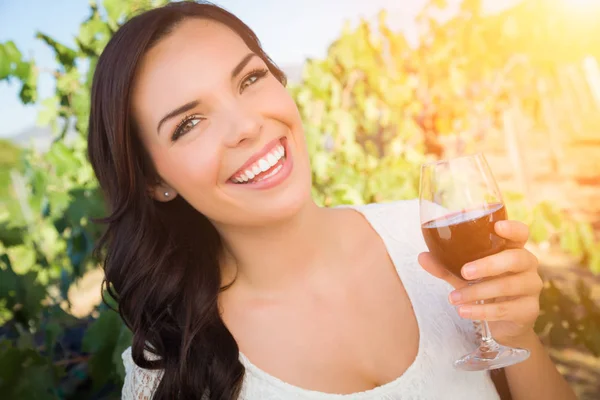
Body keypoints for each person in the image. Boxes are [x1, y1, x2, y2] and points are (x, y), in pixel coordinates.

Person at [86, 2, 576, 399]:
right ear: (154, 180)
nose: (247, 127)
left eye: (250, 79)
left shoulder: (421, 239)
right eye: (189, 124)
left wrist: (515, 337)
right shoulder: (170, 373)